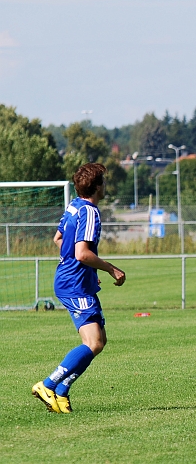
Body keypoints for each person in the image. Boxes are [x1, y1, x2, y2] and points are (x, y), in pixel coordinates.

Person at [32, 163, 126, 413]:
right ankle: (48, 384)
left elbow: (58, 239)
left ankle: (61, 392)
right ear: (96, 187)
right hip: (75, 284)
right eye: (103, 182)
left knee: (99, 341)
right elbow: (82, 253)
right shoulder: (90, 212)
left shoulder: (74, 206)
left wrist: (86, 271)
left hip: (75, 280)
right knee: (93, 342)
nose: (105, 186)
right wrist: (110, 268)